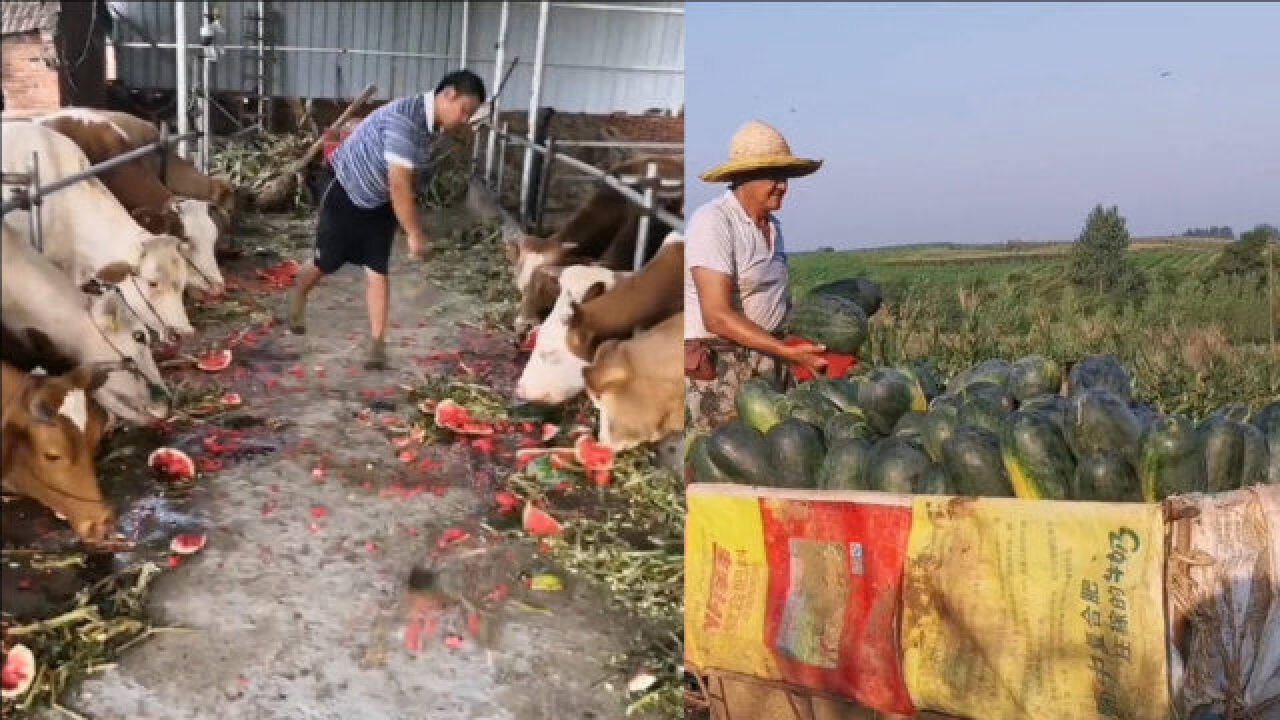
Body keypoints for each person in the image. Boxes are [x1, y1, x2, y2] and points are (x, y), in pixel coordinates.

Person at [285, 70, 486, 369]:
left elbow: (411, 178)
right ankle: (298, 295)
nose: (464, 119)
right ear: (449, 94)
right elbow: (400, 184)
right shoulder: (405, 121)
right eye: (464, 111)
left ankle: (377, 345)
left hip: (380, 201)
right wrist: (414, 232)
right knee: (327, 261)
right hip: (345, 190)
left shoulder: (432, 126)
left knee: (377, 269)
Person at [684, 120, 828, 434]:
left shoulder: (773, 225)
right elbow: (717, 316)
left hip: (770, 361)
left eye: (786, 177)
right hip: (724, 366)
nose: (784, 186)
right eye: (774, 177)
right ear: (743, 177)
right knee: (722, 461)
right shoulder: (713, 222)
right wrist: (788, 353)